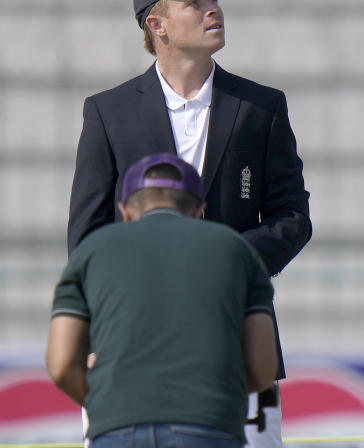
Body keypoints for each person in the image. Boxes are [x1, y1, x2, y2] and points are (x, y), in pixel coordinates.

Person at [67, 0, 311, 447]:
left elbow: (293, 218)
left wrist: (223, 260)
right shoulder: (108, 111)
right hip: (133, 344)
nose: (212, 9)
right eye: (194, 1)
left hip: (236, 337)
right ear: (156, 25)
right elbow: (87, 236)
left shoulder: (261, 106)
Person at [47, 153, 277, 447]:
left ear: (125, 212)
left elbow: (61, 364)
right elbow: (262, 368)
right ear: (198, 211)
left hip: (118, 425)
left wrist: (107, 405)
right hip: (209, 424)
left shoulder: (90, 251)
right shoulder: (237, 251)